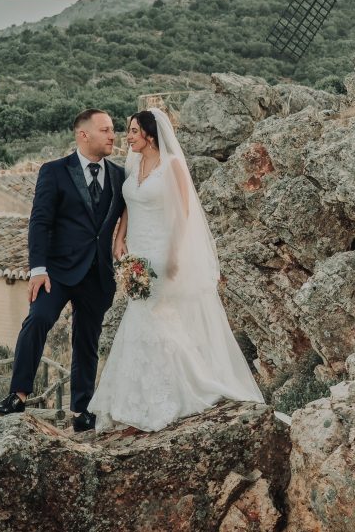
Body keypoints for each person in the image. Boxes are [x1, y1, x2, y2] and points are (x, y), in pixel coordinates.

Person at [88, 107, 264, 432]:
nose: (128, 137)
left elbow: (183, 213)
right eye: (128, 131)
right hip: (136, 251)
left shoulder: (172, 166)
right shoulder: (134, 163)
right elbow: (131, 202)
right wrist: (120, 236)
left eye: (134, 131)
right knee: (141, 315)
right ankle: (136, 399)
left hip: (163, 251)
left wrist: (173, 255)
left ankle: (178, 391)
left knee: (155, 317)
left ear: (150, 135)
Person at [0, 109, 126, 433]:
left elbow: (125, 216)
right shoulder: (54, 171)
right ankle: (18, 395)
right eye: (105, 130)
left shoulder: (120, 175)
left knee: (87, 340)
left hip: (97, 274)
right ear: (83, 135)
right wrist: (37, 269)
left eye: (113, 130)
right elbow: (40, 222)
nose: (112, 136)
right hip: (56, 272)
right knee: (37, 319)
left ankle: (83, 410)